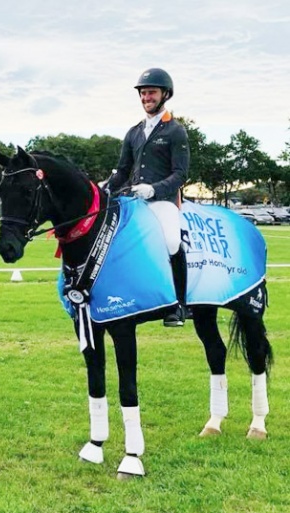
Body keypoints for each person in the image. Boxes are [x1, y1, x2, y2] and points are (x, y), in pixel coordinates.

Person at [105, 67, 190, 327]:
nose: (146, 98)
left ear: (165, 94)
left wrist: (154, 189)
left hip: (163, 201)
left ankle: (179, 305)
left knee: (171, 242)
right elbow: (122, 170)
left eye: (151, 92)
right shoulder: (133, 132)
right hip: (134, 201)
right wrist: (105, 187)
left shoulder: (175, 131)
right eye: (143, 93)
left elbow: (180, 174)